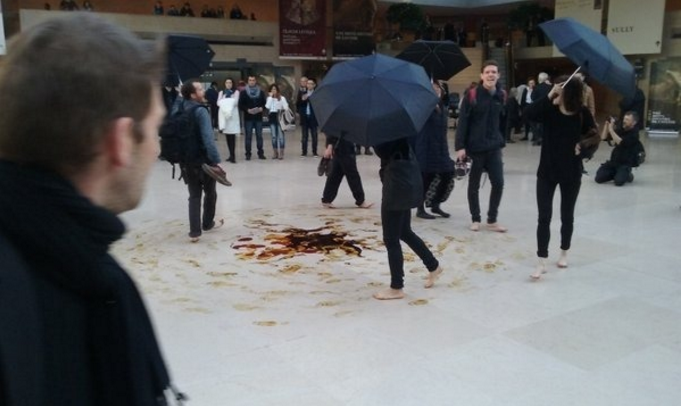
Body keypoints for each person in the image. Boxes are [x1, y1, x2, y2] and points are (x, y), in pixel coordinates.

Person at [0, 13, 183, 405]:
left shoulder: (67, 260)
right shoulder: (51, 293)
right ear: (119, 141)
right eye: (154, 129)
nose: (157, 147)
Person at [524, 76, 596, 279]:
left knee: (567, 214)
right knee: (543, 216)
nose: (558, 90)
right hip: (547, 171)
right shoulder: (550, 109)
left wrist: (581, 149)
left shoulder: (581, 114)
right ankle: (541, 260)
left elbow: (594, 137)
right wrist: (548, 96)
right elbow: (528, 114)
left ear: (571, 91)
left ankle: (564, 251)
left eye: (561, 88)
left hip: (571, 172)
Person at [373, 138, 444, 300]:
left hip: (396, 186)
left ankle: (396, 287)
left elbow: (384, 151)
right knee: (404, 232)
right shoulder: (404, 125)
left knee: (391, 239)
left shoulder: (386, 130)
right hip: (407, 181)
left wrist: (374, 141)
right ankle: (433, 266)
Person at [455, 60, 508, 233]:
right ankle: (475, 218)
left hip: (493, 147)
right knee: (474, 185)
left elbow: (503, 120)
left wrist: (501, 139)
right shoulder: (472, 95)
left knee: (498, 183)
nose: (491, 75)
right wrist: (460, 146)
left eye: (494, 72)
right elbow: (463, 122)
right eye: (487, 72)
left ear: (498, 75)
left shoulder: (501, 95)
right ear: (482, 76)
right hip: (475, 147)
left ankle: (492, 219)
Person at [174, 79, 225, 242]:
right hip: (203, 160)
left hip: (187, 160)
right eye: (200, 89)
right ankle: (207, 223)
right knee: (210, 193)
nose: (203, 91)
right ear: (192, 94)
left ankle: (194, 232)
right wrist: (216, 161)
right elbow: (208, 139)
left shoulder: (179, 107)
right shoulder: (200, 111)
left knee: (194, 195)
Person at [414, 80, 455, 219]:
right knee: (426, 178)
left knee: (448, 173)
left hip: (441, 148)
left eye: (439, 88)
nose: (437, 90)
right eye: (433, 88)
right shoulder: (423, 106)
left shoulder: (443, 106)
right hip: (426, 147)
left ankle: (435, 204)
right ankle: (420, 209)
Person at [320, 133, 373, 209]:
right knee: (353, 175)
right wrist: (329, 146)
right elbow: (332, 132)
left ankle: (327, 199)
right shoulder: (340, 122)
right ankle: (360, 200)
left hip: (343, 147)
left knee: (335, 174)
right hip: (344, 148)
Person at [595, 112, 641, 186]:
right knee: (598, 178)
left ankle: (628, 175)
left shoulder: (635, 133)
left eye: (627, 120)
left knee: (618, 182)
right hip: (614, 161)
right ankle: (617, 174)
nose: (624, 121)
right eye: (624, 119)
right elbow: (603, 138)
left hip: (625, 163)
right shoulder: (621, 129)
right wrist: (607, 126)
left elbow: (621, 142)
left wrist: (611, 130)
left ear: (634, 122)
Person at [238, 75, 267, 160]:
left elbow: (264, 103)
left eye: (253, 80)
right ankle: (248, 154)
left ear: (255, 81)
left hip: (258, 117)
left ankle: (260, 153)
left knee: (259, 136)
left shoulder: (261, 92)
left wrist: (262, 108)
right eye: (250, 80)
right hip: (248, 118)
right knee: (248, 136)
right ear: (248, 81)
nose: (252, 82)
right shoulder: (243, 92)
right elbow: (240, 105)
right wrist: (247, 110)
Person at [218, 77, 240, 163]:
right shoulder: (221, 92)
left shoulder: (236, 92)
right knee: (227, 136)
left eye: (230, 82)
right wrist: (227, 102)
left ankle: (233, 155)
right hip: (225, 116)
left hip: (233, 116)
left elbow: (235, 102)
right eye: (227, 82)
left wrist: (225, 102)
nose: (228, 84)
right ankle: (230, 155)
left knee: (232, 136)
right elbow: (218, 102)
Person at [265, 84, 289, 160]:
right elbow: (267, 107)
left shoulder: (282, 98)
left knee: (281, 136)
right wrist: (271, 98)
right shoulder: (269, 98)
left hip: (279, 116)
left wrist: (279, 104)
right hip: (272, 116)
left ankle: (281, 152)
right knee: (274, 136)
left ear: (277, 90)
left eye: (275, 89)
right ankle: (275, 152)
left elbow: (286, 107)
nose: (273, 91)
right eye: (272, 89)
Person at [531, 72, 552, 145]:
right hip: (549, 109)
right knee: (546, 125)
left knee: (534, 123)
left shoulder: (536, 87)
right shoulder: (550, 87)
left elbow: (532, 97)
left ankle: (538, 138)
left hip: (538, 109)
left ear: (539, 79)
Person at [299, 78, 319, 157]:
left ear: (314, 85)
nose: (309, 85)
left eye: (311, 83)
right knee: (304, 136)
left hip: (313, 117)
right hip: (305, 116)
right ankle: (304, 152)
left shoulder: (316, 94)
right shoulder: (302, 93)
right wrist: (303, 99)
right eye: (308, 83)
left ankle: (314, 152)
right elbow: (299, 103)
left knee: (314, 135)